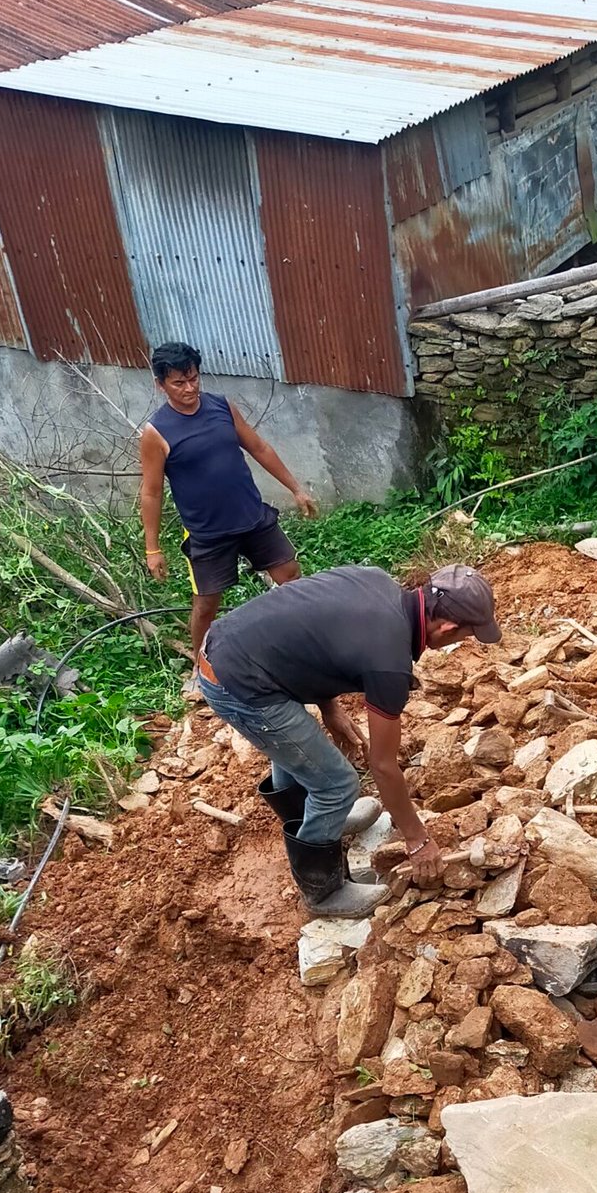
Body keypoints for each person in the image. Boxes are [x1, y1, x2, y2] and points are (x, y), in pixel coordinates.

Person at [198, 562, 501, 919]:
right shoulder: (388, 662)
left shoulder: (375, 580)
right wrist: (417, 840)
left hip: (232, 649)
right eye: (464, 635)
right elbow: (384, 766)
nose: (459, 642)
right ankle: (323, 892)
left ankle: (318, 820)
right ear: (447, 627)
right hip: (238, 683)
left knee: (299, 751)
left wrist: (330, 707)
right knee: (338, 785)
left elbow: (309, 632)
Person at [138, 341, 319, 664]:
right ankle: (201, 667)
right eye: (179, 383)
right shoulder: (156, 433)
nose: (189, 388)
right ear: (160, 384)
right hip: (207, 533)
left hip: (252, 518)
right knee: (206, 604)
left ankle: (307, 643)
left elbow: (259, 447)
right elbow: (151, 493)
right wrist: (152, 548)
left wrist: (296, 488)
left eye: (193, 378)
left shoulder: (222, 407)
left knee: (290, 575)